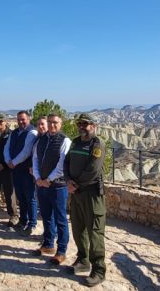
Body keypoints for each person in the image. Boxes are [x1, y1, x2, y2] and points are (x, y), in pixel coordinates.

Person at [64, 113, 106, 287]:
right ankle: (83, 260)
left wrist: (76, 184)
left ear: (93, 125)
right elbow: (66, 163)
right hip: (76, 193)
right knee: (78, 227)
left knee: (95, 232)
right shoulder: (75, 142)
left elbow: (93, 170)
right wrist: (68, 181)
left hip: (91, 194)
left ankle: (99, 270)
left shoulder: (97, 144)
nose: (82, 126)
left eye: (85, 124)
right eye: (79, 123)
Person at [32, 114, 72, 265]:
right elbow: (35, 159)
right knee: (46, 216)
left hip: (58, 187)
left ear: (61, 124)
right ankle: (48, 244)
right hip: (42, 185)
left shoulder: (65, 141)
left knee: (61, 219)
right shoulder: (41, 140)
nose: (52, 125)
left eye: (55, 122)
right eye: (50, 122)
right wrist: (38, 178)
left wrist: (47, 180)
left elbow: (62, 165)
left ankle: (61, 251)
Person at [3, 110, 38, 236]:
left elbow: (26, 151)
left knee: (30, 198)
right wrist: (8, 161)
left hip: (26, 171)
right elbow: (6, 147)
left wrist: (14, 162)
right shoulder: (14, 133)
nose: (21, 122)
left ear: (29, 119)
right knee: (21, 198)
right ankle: (23, 221)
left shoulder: (32, 132)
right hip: (16, 170)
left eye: (23, 119)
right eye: (19, 119)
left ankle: (32, 224)